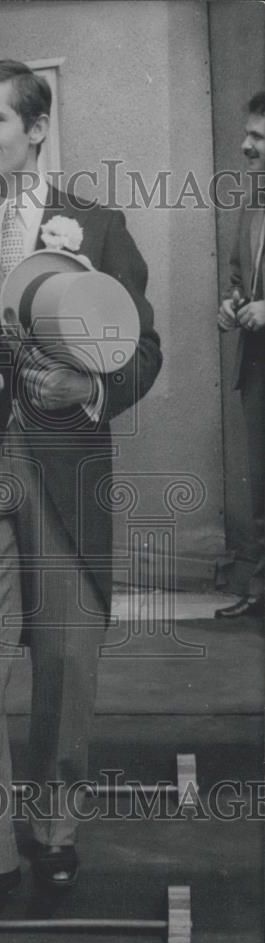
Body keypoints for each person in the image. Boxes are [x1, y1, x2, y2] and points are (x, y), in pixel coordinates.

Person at [0, 60, 162, 939]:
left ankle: (53, 829)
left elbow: (144, 351)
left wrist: (84, 397)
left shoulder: (96, 225)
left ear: (36, 128)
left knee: (67, 663)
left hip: (67, 473)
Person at [215, 91, 265, 620]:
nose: (244, 145)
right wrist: (234, 304)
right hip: (258, 369)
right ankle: (261, 593)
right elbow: (239, 275)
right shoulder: (254, 200)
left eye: (256, 138)